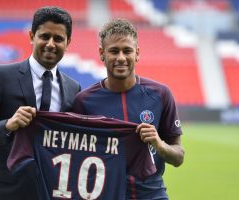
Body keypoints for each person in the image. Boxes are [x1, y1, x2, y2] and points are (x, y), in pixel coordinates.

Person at [0, 6, 80, 200]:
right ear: (32, 36)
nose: (50, 44)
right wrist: (7, 125)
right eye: (44, 36)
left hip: (49, 192)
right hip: (3, 193)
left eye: (58, 39)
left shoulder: (74, 88)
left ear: (68, 43)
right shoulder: (0, 76)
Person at [72, 19, 184, 199]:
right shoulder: (84, 101)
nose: (121, 58)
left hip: (152, 194)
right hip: (105, 195)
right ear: (102, 54)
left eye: (127, 51)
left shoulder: (160, 94)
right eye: (114, 51)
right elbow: (74, 159)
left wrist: (159, 144)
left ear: (137, 53)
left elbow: (178, 157)